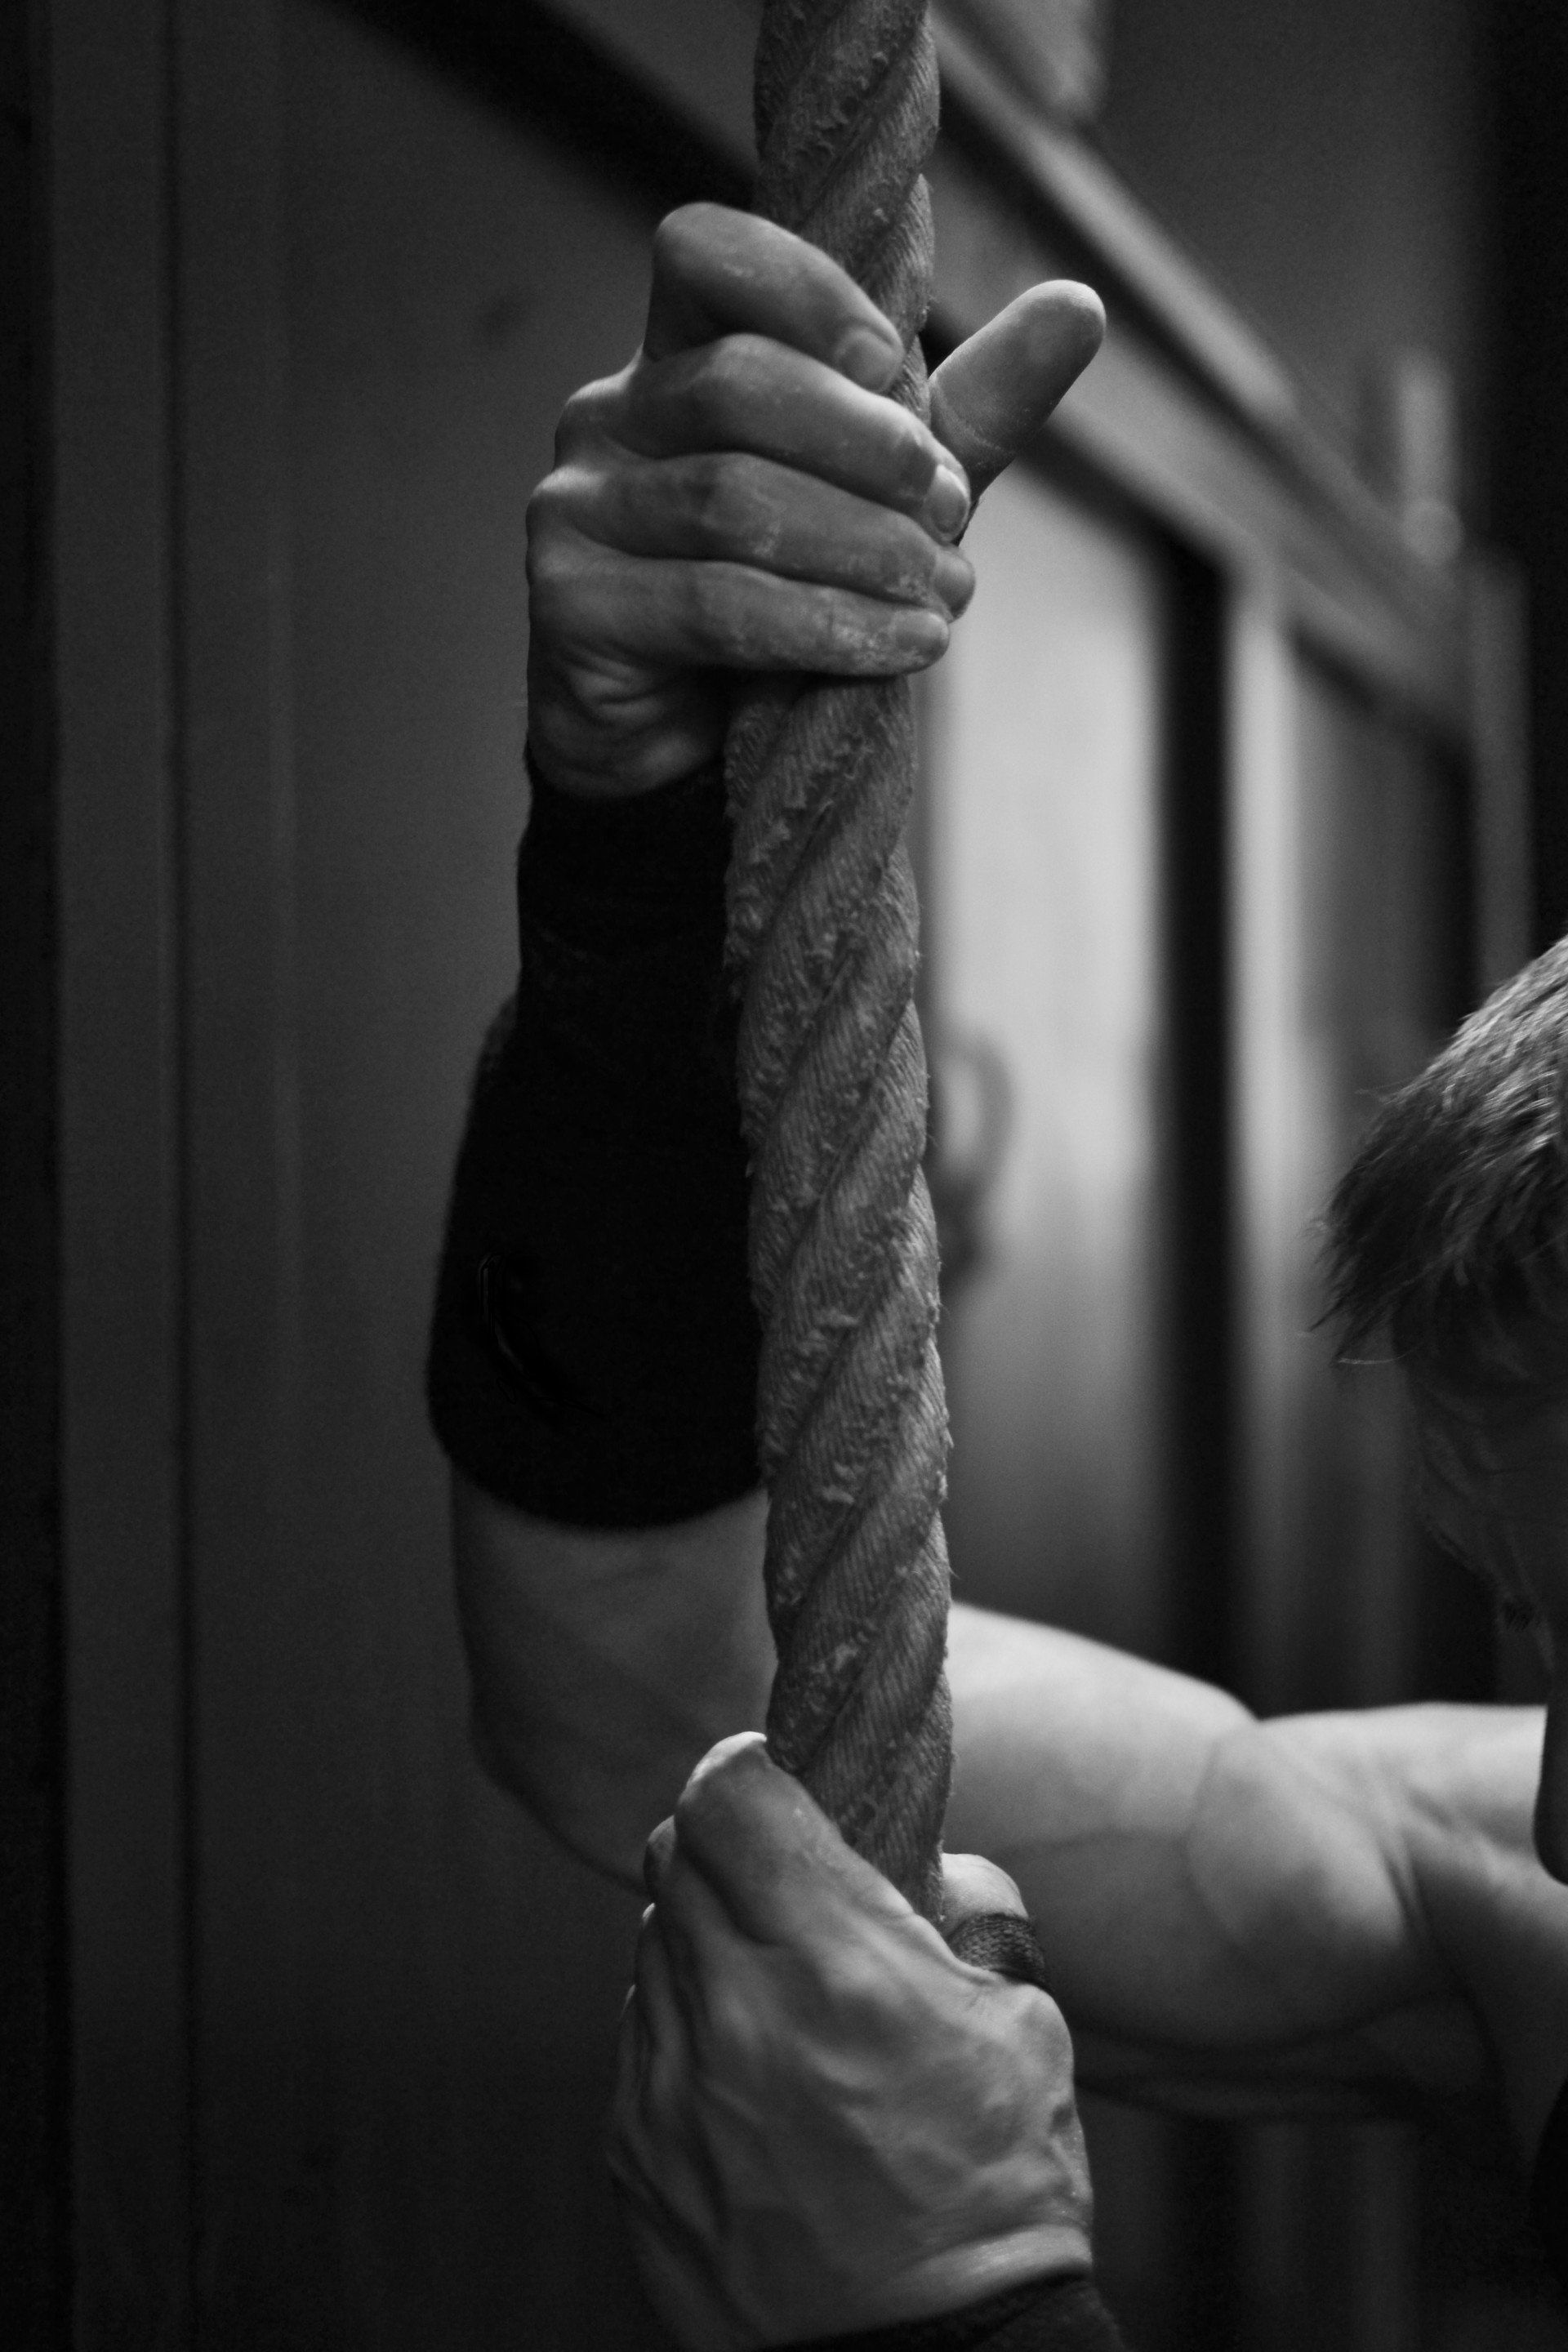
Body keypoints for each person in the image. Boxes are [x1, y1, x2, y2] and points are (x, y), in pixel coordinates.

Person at [425, 201, 1568, 2341]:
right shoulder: (1528, 1901)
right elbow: (650, 1693)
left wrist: (956, 2320)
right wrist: (638, 879)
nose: (1563, 1808)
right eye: (1542, 1634)